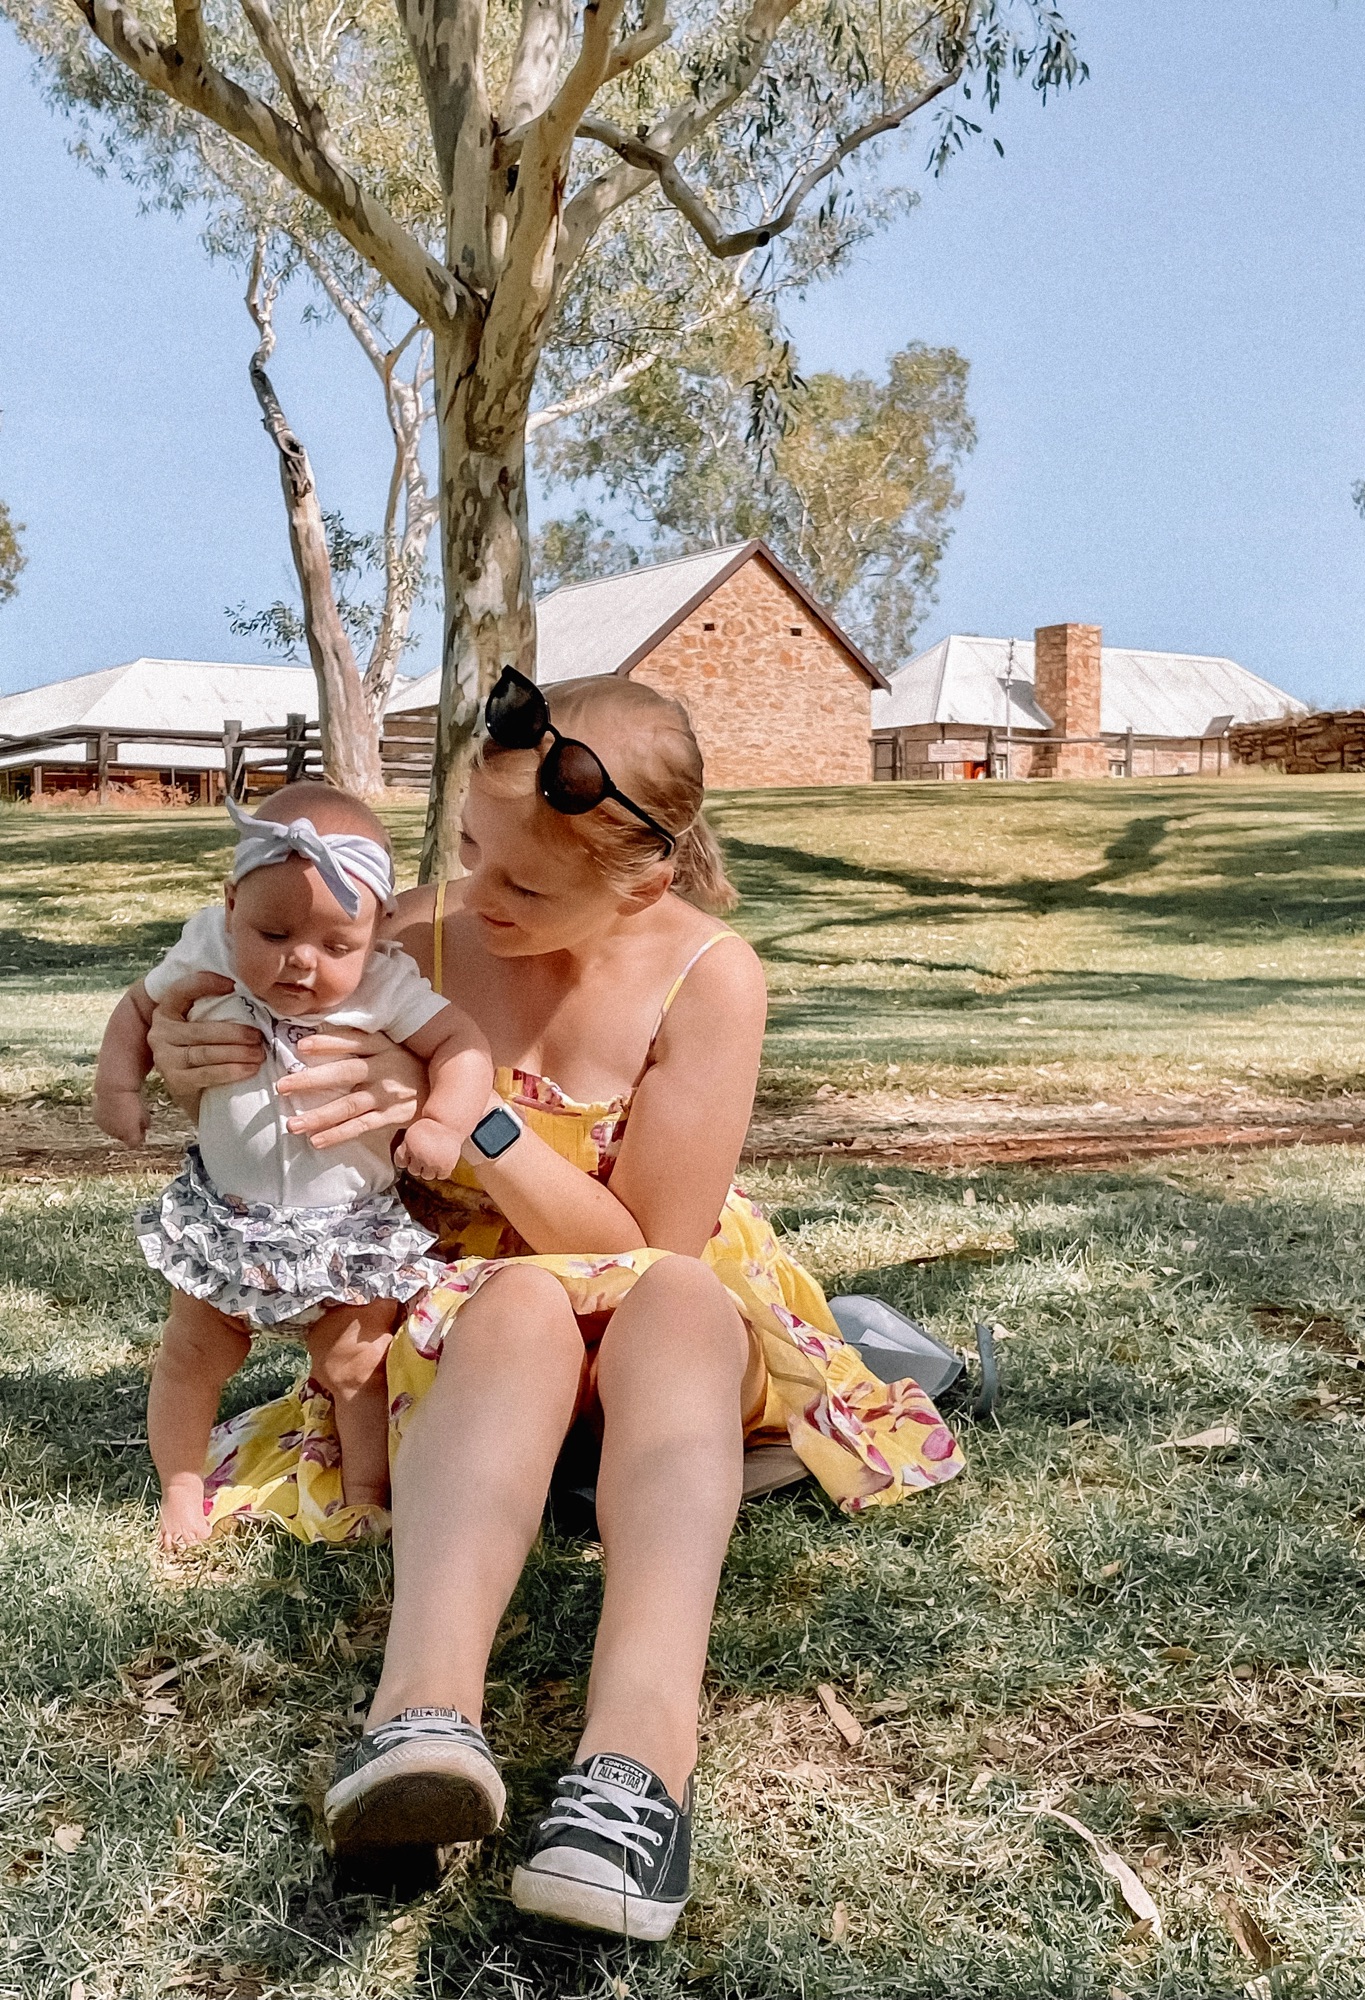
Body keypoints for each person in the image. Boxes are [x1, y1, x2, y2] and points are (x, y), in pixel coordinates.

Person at [145, 673, 963, 1940]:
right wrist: (184, 1052)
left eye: (524, 885)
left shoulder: (708, 975)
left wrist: (474, 1117)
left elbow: (642, 1246)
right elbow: (244, 1021)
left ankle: (635, 1770)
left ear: (642, 880)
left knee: (674, 1296)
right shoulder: (412, 933)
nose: (477, 894)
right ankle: (419, 1722)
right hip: (468, 1326)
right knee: (518, 1307)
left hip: (655, 1333)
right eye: (471, 848)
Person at [95, 784, 492, 1548]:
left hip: (349, 1227)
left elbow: (462, 1044)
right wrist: (117, 1087)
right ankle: (180, 1490)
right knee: (192, 1354)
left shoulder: (385, 983)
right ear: (230, 904)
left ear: (377, 930)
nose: (301, 961)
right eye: (272, 932)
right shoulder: (207, 948)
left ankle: (366, 1492)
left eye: (336, 946)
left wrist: (443, 1120)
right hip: (228, 1218)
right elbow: (139, 1008)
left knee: (356, 1363)